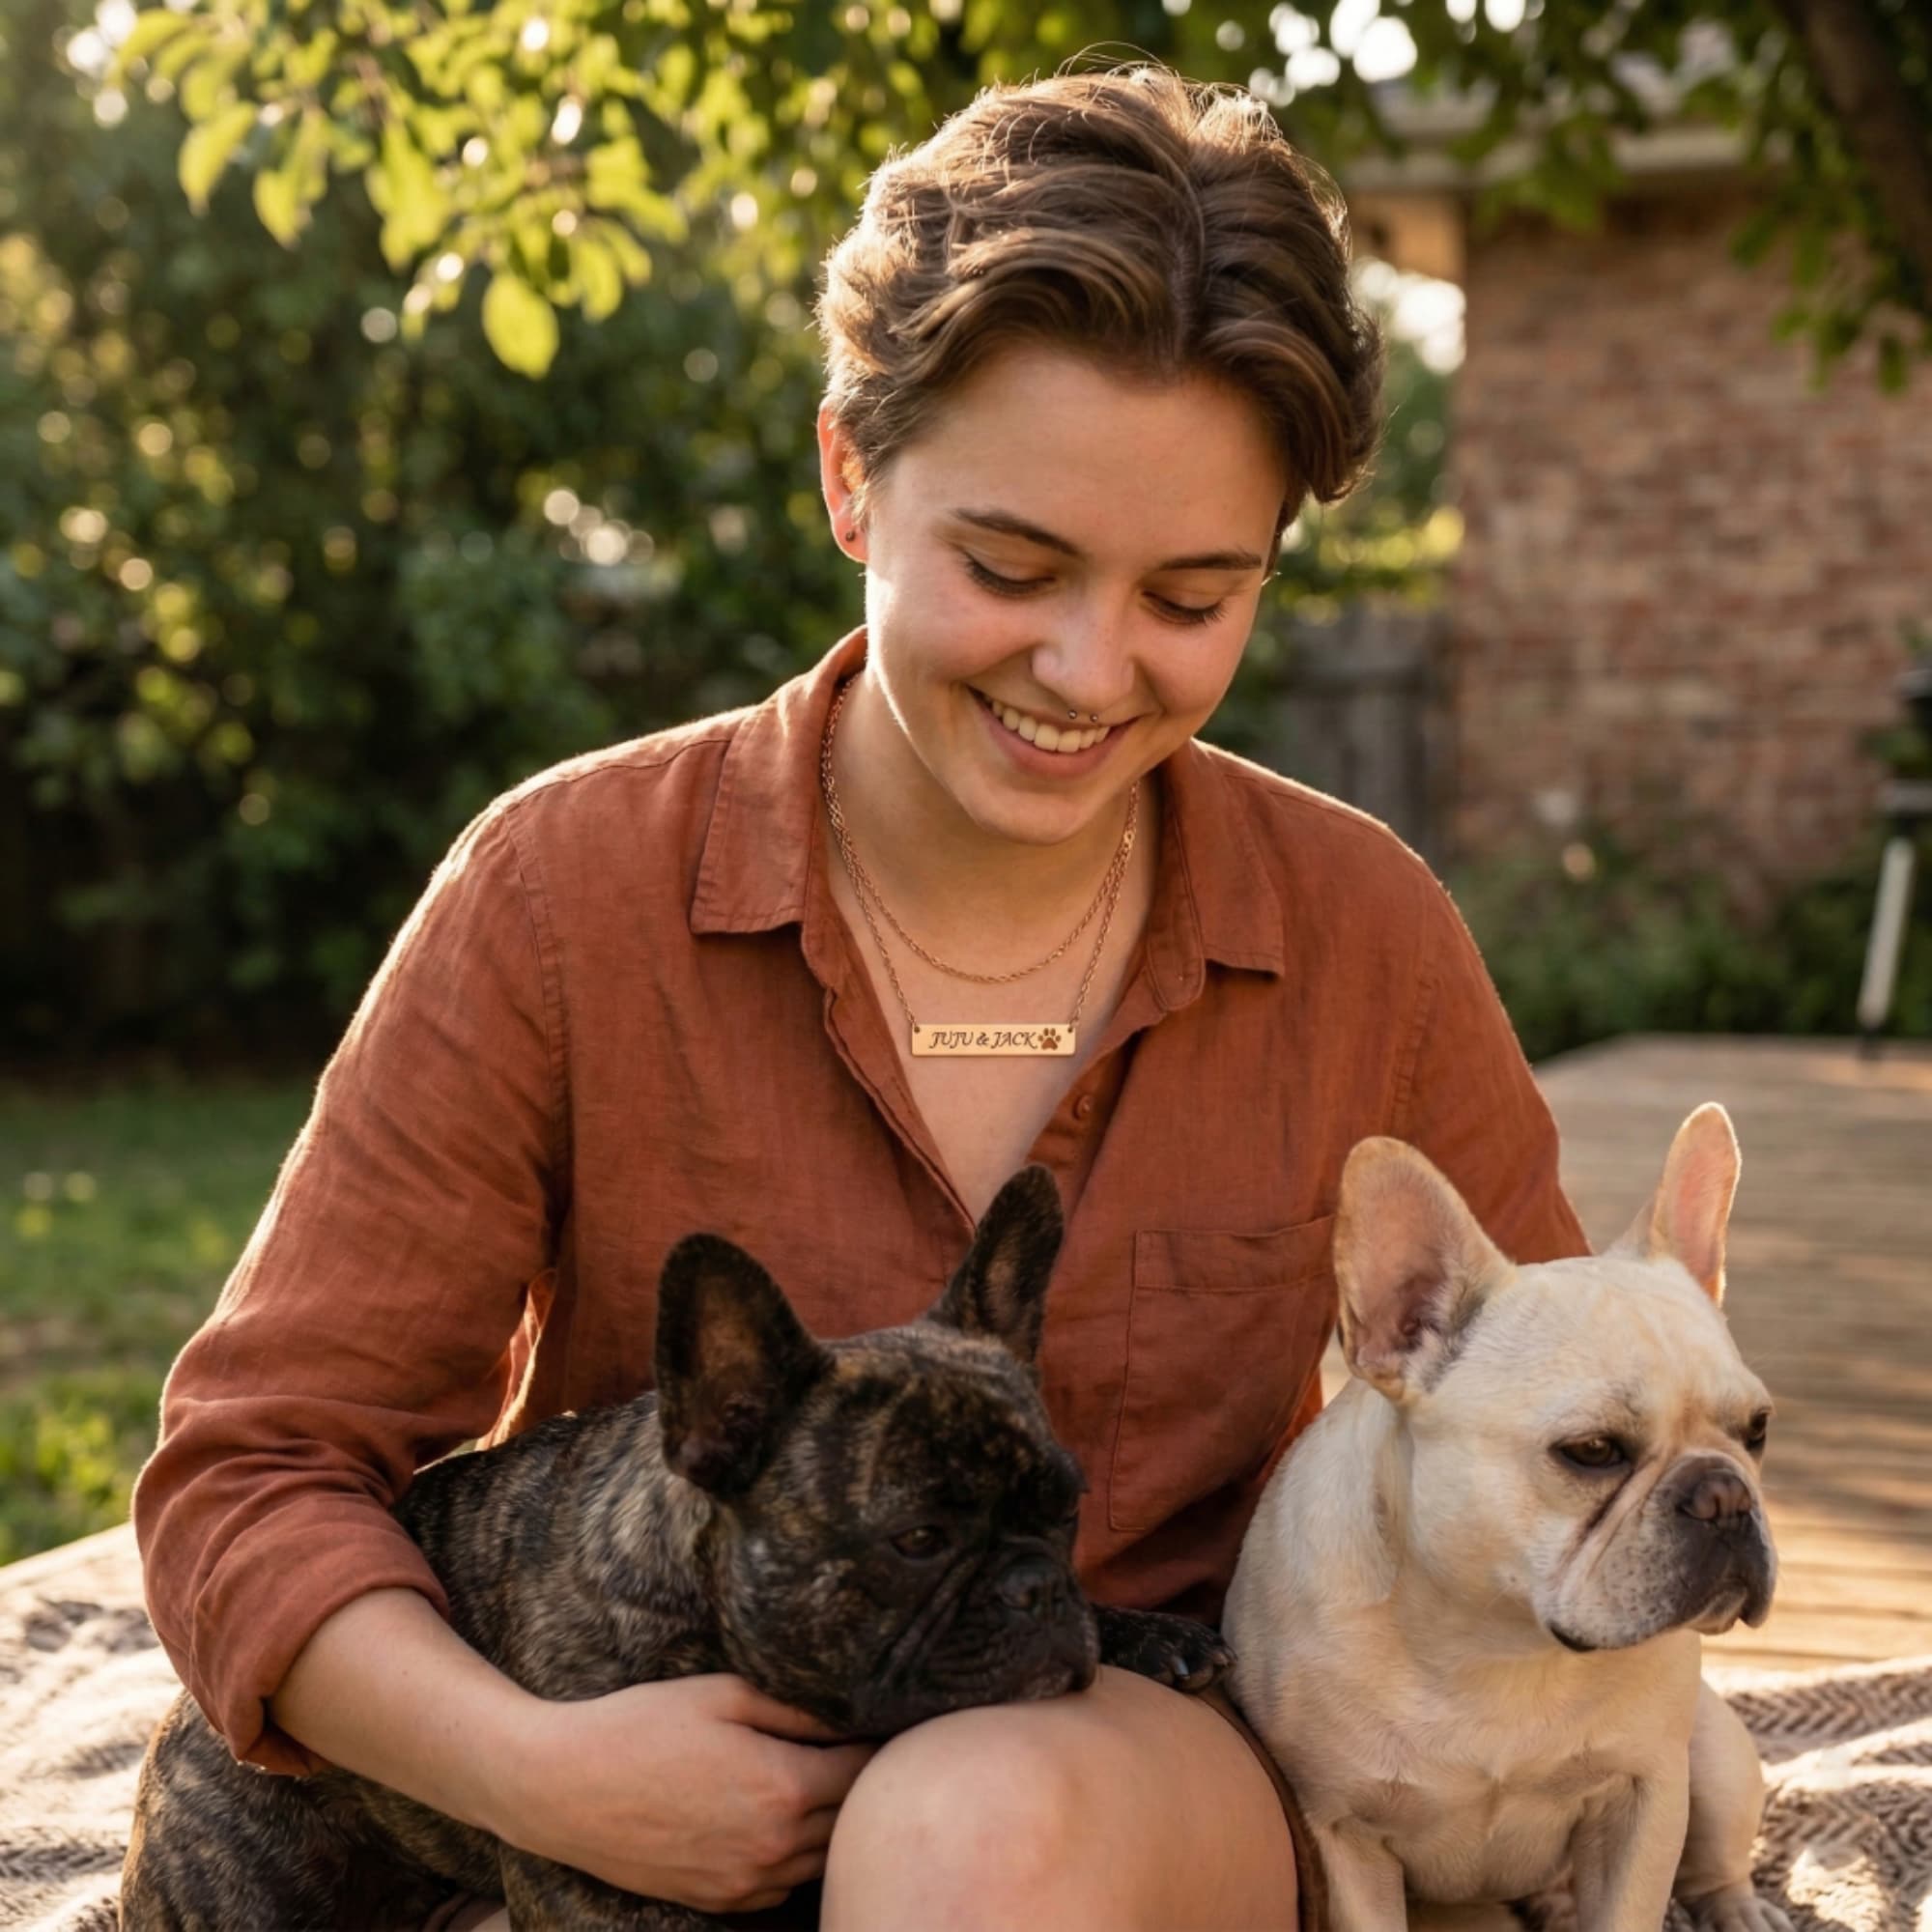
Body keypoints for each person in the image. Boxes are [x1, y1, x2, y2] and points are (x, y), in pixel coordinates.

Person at [132, 61, 1587, 1932]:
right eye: (1011, 564)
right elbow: (260, 1463)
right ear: (848, 474)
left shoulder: (1359, 930)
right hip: (616, 1777)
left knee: (963, 1822)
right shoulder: (566, 893)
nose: (1088, 669)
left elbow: (1561, 1427)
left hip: (1118, 1754)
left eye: (1193, 595)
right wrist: (537, 1772)